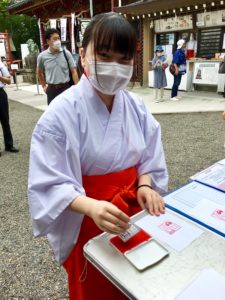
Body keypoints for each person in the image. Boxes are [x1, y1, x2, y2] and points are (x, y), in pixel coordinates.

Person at [28, 12, 168, 300]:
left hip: (132, 210)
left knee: (138, 281)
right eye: (104, 55)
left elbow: (149, 154)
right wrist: (91, 207)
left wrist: (144, 184)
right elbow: (48, 181)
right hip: (89, 217)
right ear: (83, 54)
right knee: (96, 287)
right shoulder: (61, 112)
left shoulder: (136, 107)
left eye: (123, 59)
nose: (114, 66)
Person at [36, 28, 79, 105]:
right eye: (55, 39)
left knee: (68, 113)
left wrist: (78, 88)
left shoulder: (66, 53)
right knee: (54, 115)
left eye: (58, 38)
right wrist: (44, 86)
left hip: (66, 88)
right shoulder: (42, 56)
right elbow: (39, 72)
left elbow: (74, 71)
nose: (57, 41)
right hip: (52, 90)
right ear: (48, 41)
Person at [0, 59, 19, 156]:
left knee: (5, 120)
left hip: (0, 93)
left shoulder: (0, 65)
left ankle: (9, 144)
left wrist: (0, 78)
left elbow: (8, 81)